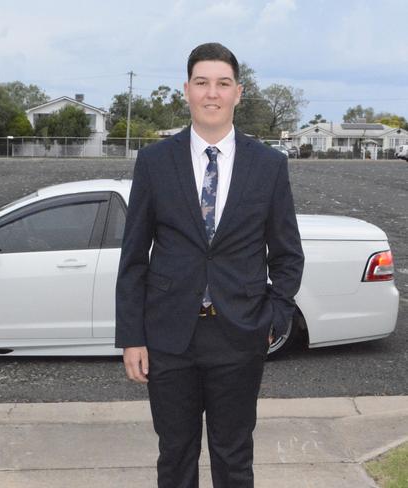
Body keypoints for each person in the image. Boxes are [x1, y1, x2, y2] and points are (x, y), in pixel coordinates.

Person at [115, 42, 304, 488]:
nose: (212, 93)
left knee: (234, 457)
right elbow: (133, 256)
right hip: (169, 338)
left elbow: (288, 253)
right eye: (202, 83)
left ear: (238, 92)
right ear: (187, 91)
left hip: (239, 336)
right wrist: (132, 337)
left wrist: (273, 316)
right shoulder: (155, 162)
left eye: (222, 84)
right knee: (175, 456)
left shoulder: (269, 165)